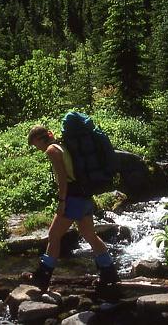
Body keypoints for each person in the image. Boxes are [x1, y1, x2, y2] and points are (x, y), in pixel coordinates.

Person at [25, 124, 119, 292]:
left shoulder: (52, 150)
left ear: (40, 139)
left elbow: (62, 179)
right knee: (89, 234)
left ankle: (42, 278)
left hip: (73, 198)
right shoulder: (62, 145)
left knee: (54, 235)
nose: (37, 148)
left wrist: (62, 201)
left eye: (35, 144)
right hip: (84, 195)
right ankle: (109, 272)